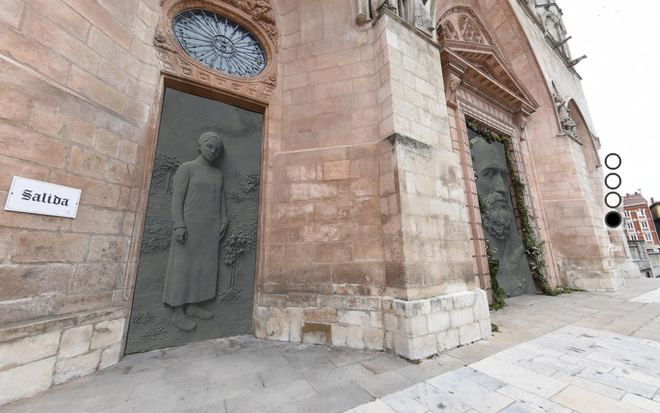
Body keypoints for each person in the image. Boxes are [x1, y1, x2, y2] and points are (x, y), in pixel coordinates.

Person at [163, 132, 229, 331]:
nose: (213, 151)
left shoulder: (218, 175)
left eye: (217, 150)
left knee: (204, 269)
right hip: (190, 227)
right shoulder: (187, 169)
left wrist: (224, 219)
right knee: (184, 268)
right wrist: (179, 225)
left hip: (211, 228)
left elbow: (221, 199)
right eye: (209, 146)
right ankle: (177, 312)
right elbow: (177, 200)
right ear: (199, 145)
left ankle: (194, 306)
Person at [469, 132, 537, 297]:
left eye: (503, 176)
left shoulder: (516, 244)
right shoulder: (471, 247)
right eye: (490, 174)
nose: (502, 188)